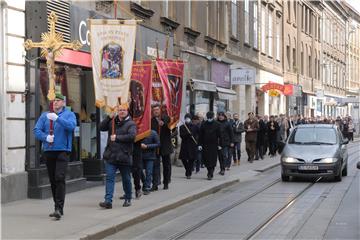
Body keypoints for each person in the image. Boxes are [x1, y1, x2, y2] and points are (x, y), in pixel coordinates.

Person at [33, 93, 76, 220]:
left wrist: (57, 119)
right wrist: (45, 137)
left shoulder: (69, 114)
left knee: (59, 177)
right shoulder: (45, 115)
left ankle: (59, 208)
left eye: (58, 101)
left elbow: (71, 126)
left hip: (62, 150)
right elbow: (36, 130)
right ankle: (56, 206)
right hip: (49, 150)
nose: (55, 103)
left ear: (63, 103)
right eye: (54, 101)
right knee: (52, 179)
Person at [99, 103, 137, 209]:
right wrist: (109, 117)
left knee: (126, 179)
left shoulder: (131, 124)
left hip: (124, 156)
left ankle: (128, 198)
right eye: (120, 110)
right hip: (111, 156)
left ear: (127, 111)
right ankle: (108, 201)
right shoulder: (113, 122)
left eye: (124, 110)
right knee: (110, 178)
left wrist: (117, 137)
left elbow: (132, 136)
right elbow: (101, 127)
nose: (122, 112)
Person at [151, 104, 173, 190]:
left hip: (165, 146)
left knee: (166, 165)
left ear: (160, 110)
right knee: (155, 166)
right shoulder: (151, 121)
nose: (156, 111)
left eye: (157, 109)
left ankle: (166, 182)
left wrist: (163, 123)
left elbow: (169, 123)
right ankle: (155, 184)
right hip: (155, 146)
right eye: (154, 110)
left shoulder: (165, 118)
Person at [198, 111, 221, 180]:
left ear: (213, 117)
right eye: (208, 117)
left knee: (213, 159)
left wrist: (220, 144)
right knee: (207, 159)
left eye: (210, 117)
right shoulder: (204, 124)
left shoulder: (217, 124)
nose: (209, 119)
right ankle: (209, 171)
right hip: (205, 145)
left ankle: (211, 172)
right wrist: (199, 144)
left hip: (214, 144)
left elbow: (220, 135)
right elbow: (200, 135)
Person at [179, 113, 200, 179]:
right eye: (186, 118)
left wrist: (197, 140)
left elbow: (199, 134)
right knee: (183, 158)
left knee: (191, 159)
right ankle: (187, 169)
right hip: (185, 144)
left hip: (192, 144)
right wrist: (188, 134)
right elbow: (181, 135)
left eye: (188, 118)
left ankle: (188, 173)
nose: (187, 119)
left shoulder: (195, 126)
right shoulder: (182, 126)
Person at [141, 130, 160, 195]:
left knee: (149, 172)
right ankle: (144, 183)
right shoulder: (140, 131)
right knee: (139, 171)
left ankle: (147, 187)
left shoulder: (153, 133)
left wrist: (147, 146)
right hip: (140, 156)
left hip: (150, 156)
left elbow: (158, 143)